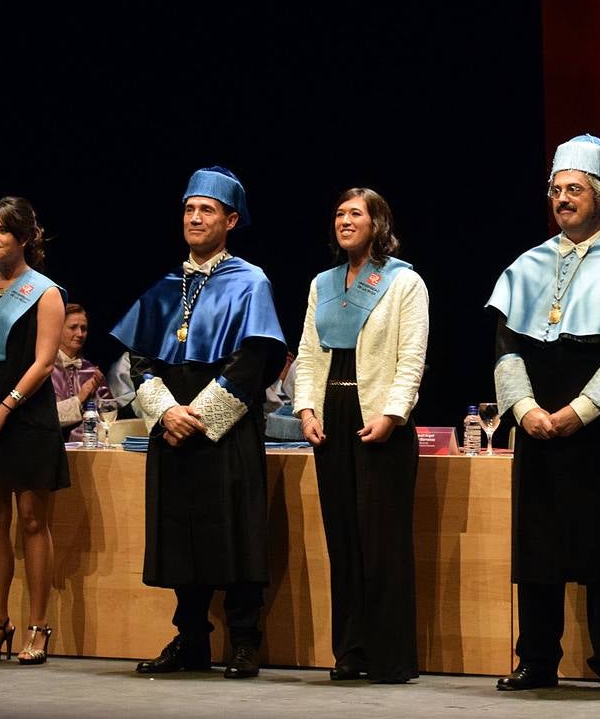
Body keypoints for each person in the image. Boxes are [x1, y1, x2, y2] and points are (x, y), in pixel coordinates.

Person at [486, 134, 600, 696]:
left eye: (575, 189)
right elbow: (505, 343)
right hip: (538, 422)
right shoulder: (527, 263)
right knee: (537, 545)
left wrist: (580, 412)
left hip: (598, 427)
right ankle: (537, 660)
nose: (563, 199)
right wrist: (525, 410)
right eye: (556, 190)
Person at [112, 166, 286, 680]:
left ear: (230, 220)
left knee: (234, 532)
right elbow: (140, 361)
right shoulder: (166, 286)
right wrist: (166, 412)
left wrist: (200, 416)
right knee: (180, 535)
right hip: (172, 426)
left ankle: (245, 641)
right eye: (189, 208)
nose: (194, 217)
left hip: (225, 429)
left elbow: (253, 361)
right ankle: (190, 639)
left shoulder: (250, 282)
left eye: (206, 209)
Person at [292, 187, 429, 683]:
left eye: (355, 213)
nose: (344, 221)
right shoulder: (322, 284)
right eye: (338, 214)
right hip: (333, 416)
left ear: (377, 223)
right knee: (343, 539)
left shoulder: (402, 283)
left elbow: (411, 358)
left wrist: (393, 414)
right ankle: (351, 651)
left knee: (382, 543)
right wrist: (306, 410)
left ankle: (390, 656)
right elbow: (307, 354)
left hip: (380, 420)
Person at [0, 196, 68, 665]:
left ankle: (39, 626)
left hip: (26, 415)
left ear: (24, 238)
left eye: (2, 231)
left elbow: (44, 363)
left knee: (31, 520)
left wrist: (4, 407)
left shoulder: (45, 292)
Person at [50, 303, 110, 440]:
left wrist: (98, 399)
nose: (80, 334)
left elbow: (109, 416)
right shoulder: (44, 370)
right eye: (73, 327)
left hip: (91, 447)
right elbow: (42, 417)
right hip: (52, 447)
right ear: (57, 328)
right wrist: (80, 398)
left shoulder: (91, 371)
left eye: (84, 328)